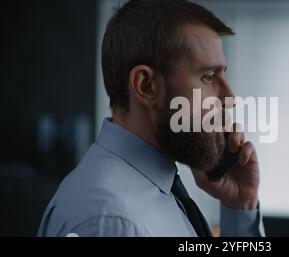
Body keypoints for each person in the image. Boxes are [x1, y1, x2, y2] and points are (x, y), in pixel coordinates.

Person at [38, 0, 264, 237]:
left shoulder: (151, 194)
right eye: (208, 77)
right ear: (146, 86)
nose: (230, 98)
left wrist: (240, 206)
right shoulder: (114, 223)